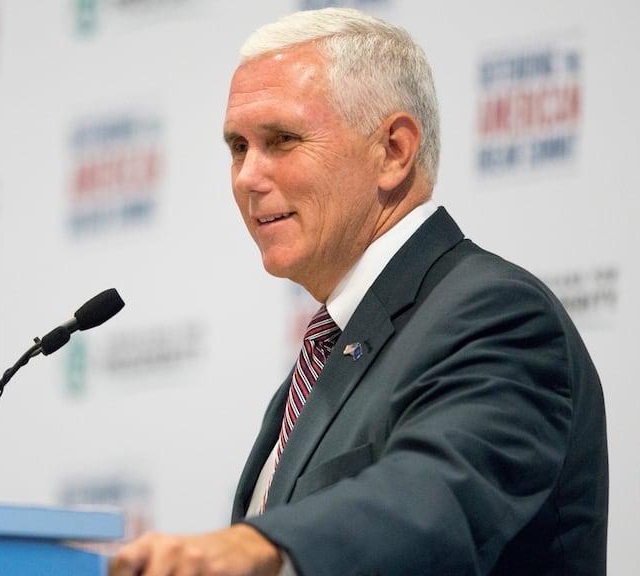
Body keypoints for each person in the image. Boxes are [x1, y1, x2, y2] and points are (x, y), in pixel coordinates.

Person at [110, 7, 608, 576]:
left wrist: (257, 546)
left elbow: (433, 497)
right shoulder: (327, 356)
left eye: (282, 139)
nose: (248, 175)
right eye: (238, 147)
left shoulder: (497, 314)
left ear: (394, 150)